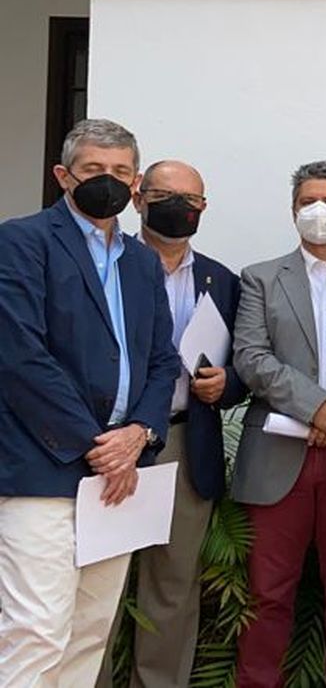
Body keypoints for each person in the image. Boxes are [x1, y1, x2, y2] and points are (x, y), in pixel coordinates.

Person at [0, 119, 181, 685]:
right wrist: (98, 445)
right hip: (44, 467)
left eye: (121, 172)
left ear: (136, 185)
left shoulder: (141, 260)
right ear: (63, 176)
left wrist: (140, 435)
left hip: (121, 473)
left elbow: (161, 361)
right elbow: (20, 356)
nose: (108, 181)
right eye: (93, 170)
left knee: (90, 629)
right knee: (37, 628)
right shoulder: (22, 240)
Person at [231, 160, 326, 688]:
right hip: (277, 456)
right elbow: (251, 357)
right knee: (267, 592)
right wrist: (319, 407)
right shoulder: (261, 277)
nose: (319, 212)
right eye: (306, 202)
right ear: (293, 212)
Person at [102, 160, 248, 688]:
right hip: (114, 445)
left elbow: (244, 366)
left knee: (174, 586)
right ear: (138, 199)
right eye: (164, 194)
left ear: (204, 209)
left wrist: (225, 385)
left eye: (191, 199)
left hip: (188, 441)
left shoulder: (222, 280)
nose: (178, 206)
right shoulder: (108, 265)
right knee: (102, 585)